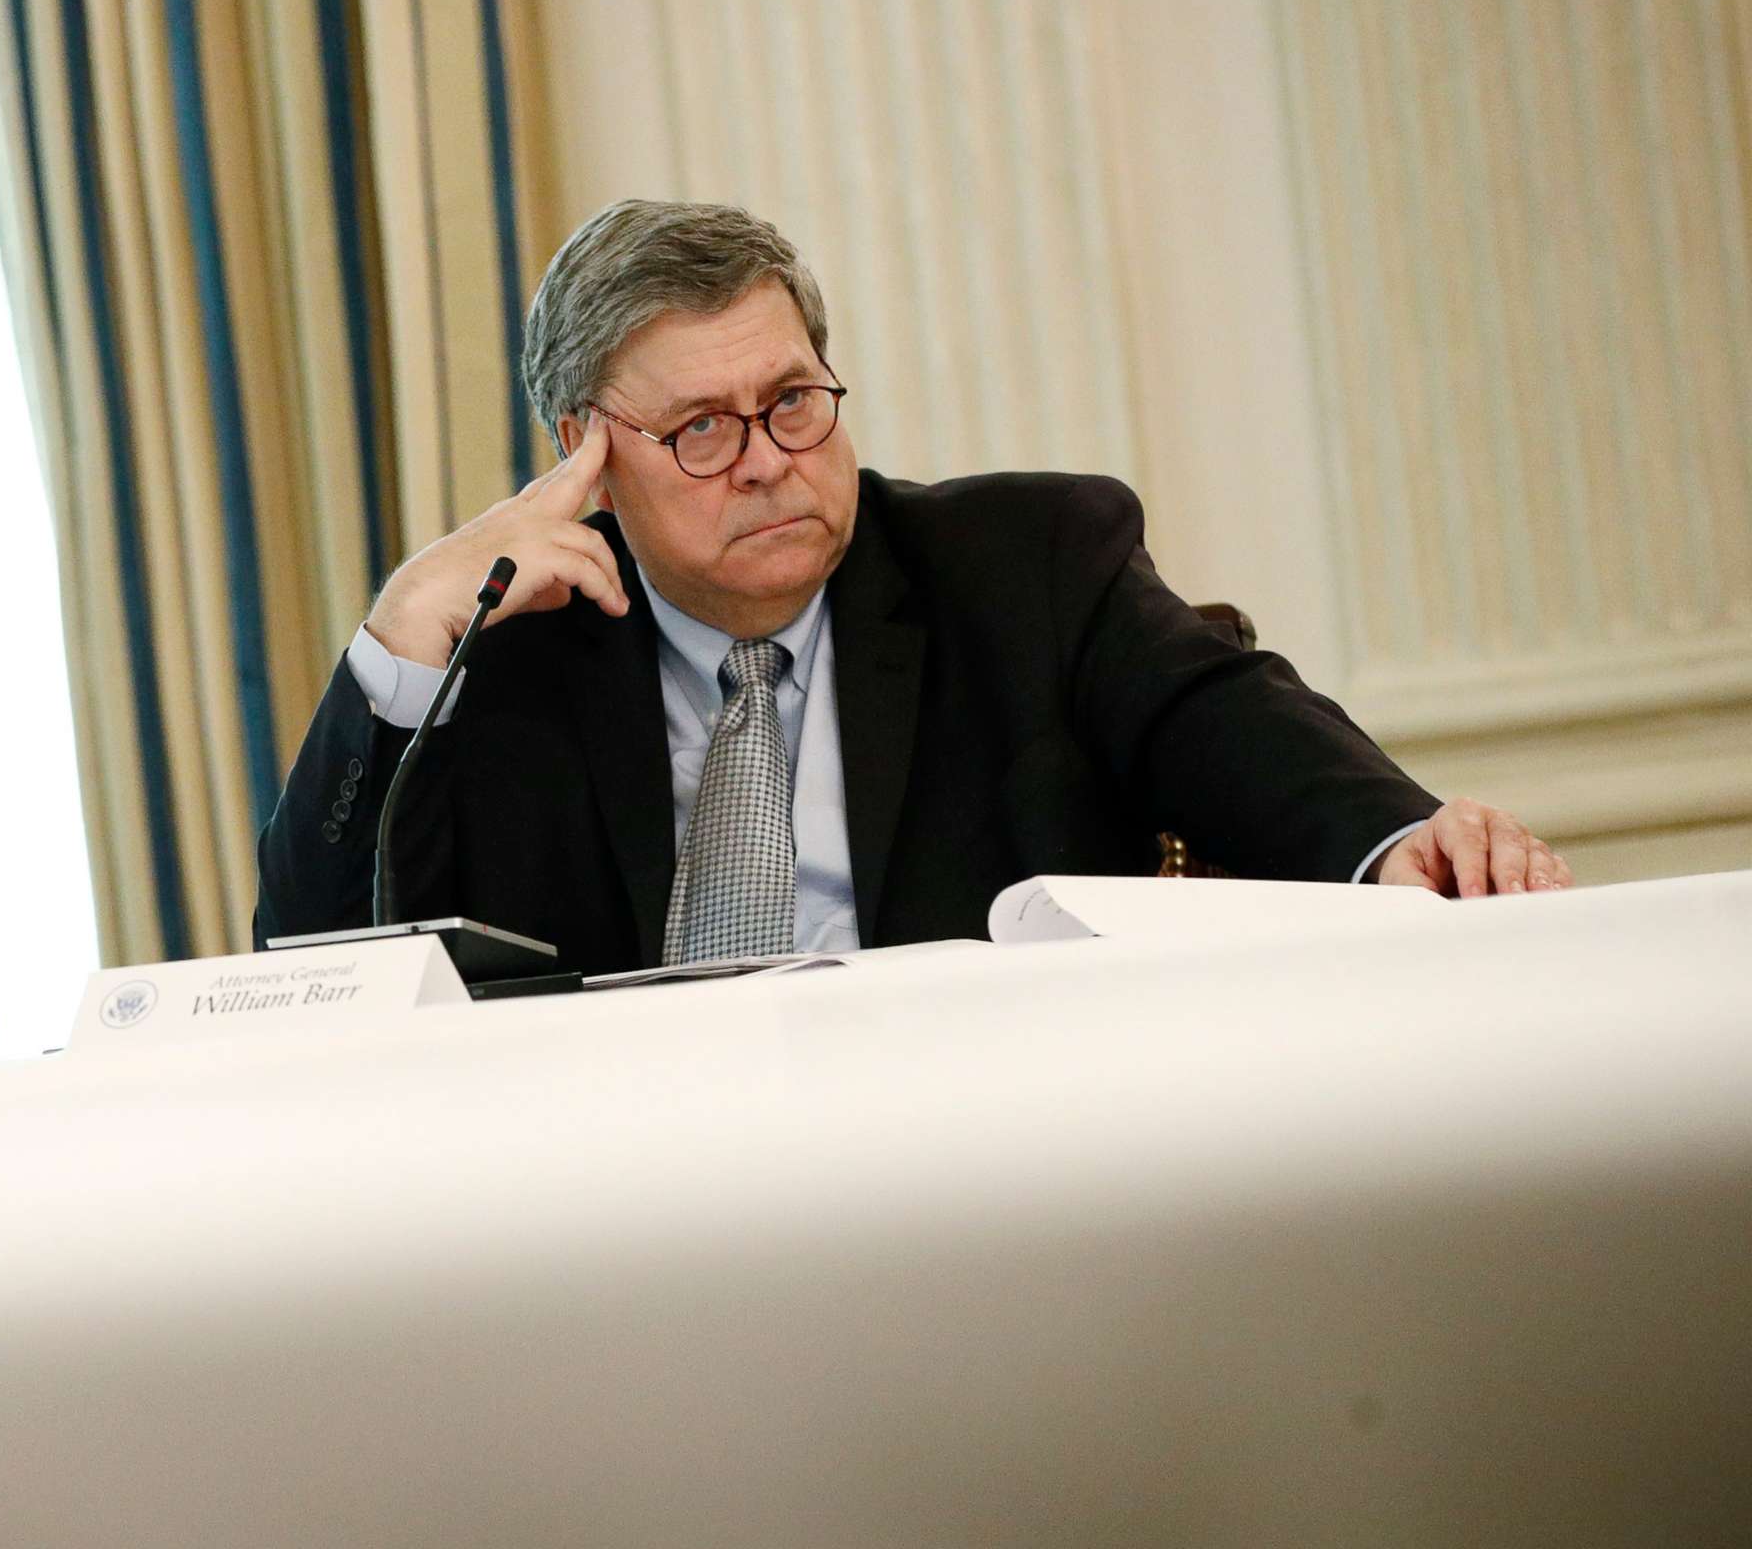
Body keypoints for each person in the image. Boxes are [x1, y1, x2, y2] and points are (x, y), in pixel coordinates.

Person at [254, 200, 1569, 971]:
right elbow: (319, 965)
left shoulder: (1027, 569)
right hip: (633, 1227)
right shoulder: (515, 654)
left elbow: (1229, 726)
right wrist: (397, 646)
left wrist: (1405, 840)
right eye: (703, 430)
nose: (769, 462)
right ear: (584, 454)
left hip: (989, 1184)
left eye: (793, 402)